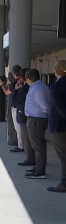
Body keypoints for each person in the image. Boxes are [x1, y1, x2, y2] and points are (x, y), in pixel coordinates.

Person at [24, 69, 51, 179]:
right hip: (36, 119)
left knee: (39, 146)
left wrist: (46, 114)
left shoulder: (37, 89)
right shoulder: (39, 86)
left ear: (28, 78)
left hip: (36, 120)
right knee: (37, 145)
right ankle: (38, 167)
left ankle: (40, 171)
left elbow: (45, 106)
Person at [47, 61, 66, 192]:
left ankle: (64, 183)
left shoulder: (55, 87)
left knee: (63, 156)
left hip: (59, 126)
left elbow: (61, 110)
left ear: (57, 71)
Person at [12, 68, 35, 167]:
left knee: (26, 139)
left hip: (23, 116)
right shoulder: (34, 87)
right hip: (31, 116)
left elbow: (14, 101)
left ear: (23, 78)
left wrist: (16, 90)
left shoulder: (24, 89)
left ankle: (30, 159)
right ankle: (35, 159)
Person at [0, 65, 24, 153]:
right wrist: (10, 84)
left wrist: (2, 85)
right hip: (23, 107)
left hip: (17, 108)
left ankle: (21, 146)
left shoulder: (15, 84)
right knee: (22, 128)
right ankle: (23, 145)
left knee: (18, 128)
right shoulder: (22, 81)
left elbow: (7, 92)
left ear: (13, 73)